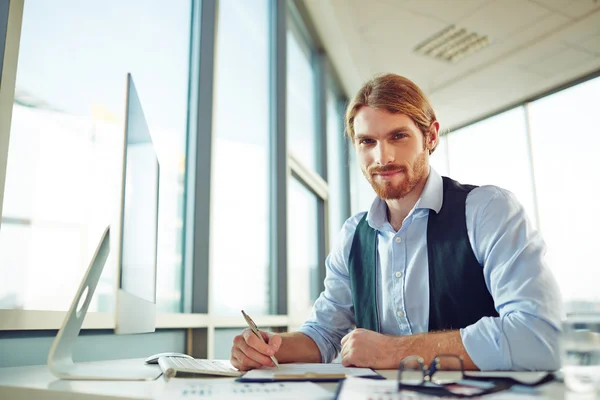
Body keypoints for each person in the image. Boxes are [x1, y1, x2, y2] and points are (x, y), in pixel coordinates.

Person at [230, 73, 562, 372]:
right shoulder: (353, 236)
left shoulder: (488, 210)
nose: (382, 157)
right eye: (367, 142)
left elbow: (540, 336)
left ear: (430, 136)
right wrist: (270, 346)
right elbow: (324, 334)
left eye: (398, 136)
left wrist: (396, 351)